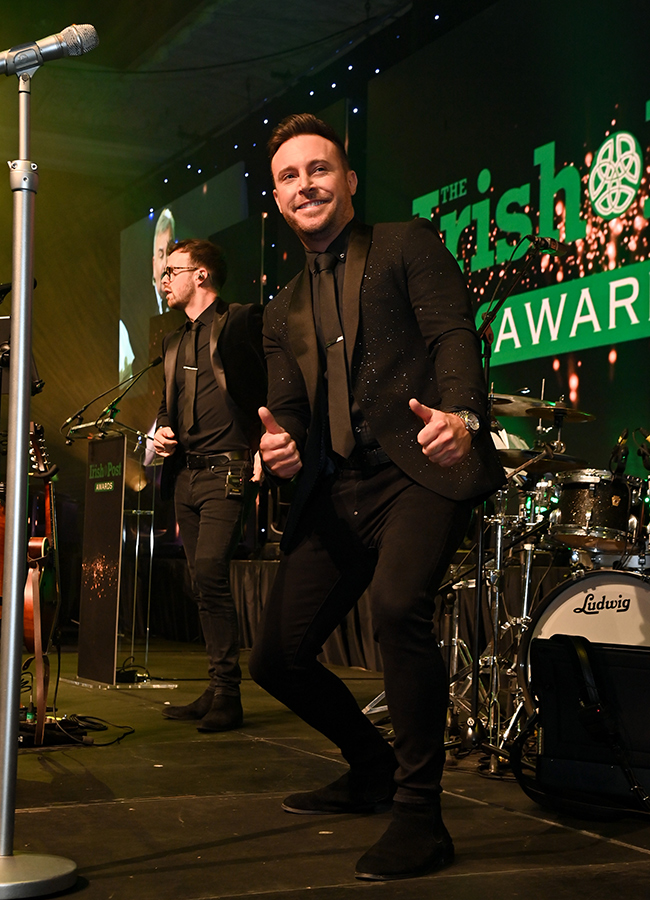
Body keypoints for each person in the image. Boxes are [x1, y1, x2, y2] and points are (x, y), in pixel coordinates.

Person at [248, 114, 505, 880]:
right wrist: (281, 449)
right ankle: (370, 767)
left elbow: (453, 335)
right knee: (276, 658)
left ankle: (421, 817)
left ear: (348, 180)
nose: (307, 185)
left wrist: (461, 416)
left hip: (419, 468)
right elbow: (287, 412)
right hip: (339, 487)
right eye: (291, 177)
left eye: (320, 169)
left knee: (397, 607)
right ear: (277, 198)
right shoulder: (278, 309)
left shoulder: (405, 244)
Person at [153, 238, 267, 732]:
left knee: (211, 572)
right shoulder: (173, 341)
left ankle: (228, 694)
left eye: (172, 270)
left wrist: (265, 441)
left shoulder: (239, 321)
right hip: (187, 475)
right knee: (202, 582)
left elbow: (271, 384)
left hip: (227, 469)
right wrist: (161, 432)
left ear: (200, 275)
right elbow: (168, 403)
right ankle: (216, 684)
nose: (164, 279)